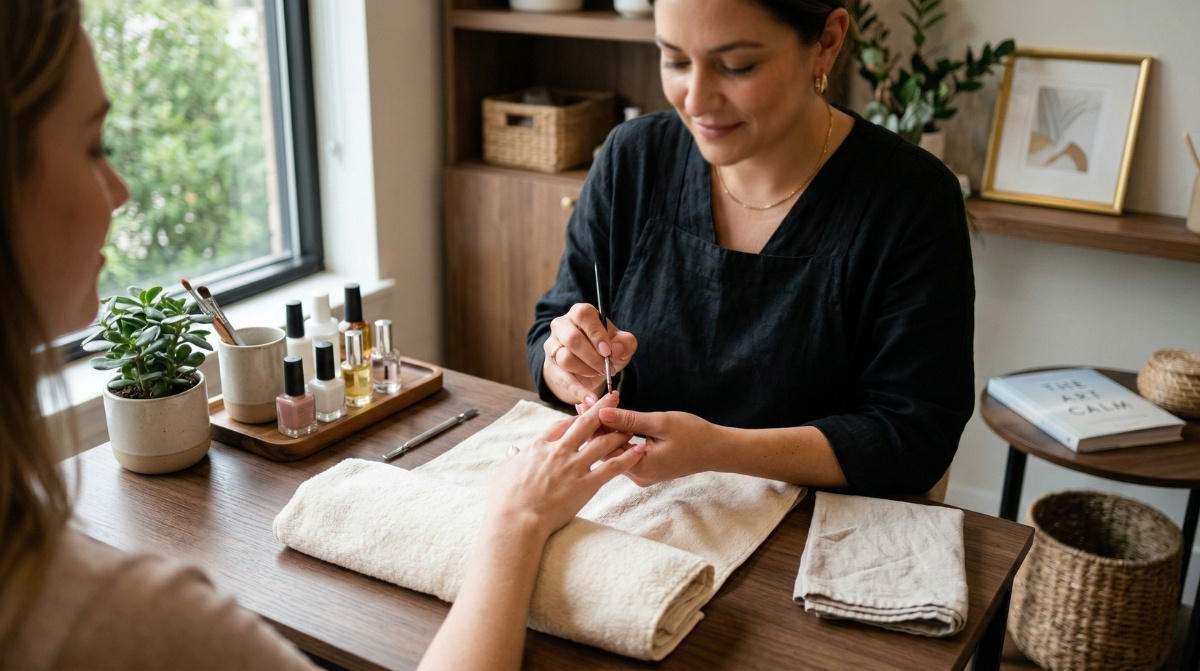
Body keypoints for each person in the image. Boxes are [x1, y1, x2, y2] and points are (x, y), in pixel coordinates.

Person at [0, 1, 643, 668]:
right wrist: (515, 516)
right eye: (90, 145)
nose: (120, 189)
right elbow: (547, 329)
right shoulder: (122, 620)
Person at [528, 0, 975, 497]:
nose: (696, 100)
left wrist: (720, 450)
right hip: (636, 509)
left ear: (826, 42)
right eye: (675, 60)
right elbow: (549, 330)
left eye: (736, 66)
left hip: (817, 536)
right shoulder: (632, 158)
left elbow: (914, 433)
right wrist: (569, 365)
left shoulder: (910, 198)